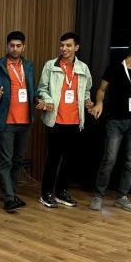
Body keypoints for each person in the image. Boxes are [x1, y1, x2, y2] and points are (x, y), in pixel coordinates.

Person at [89, 38, 131, 212]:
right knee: (109, 159)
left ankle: (122, 197)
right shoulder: (114, 69)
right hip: (115, 121)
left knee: (129, 161)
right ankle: (98, 195)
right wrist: (99, 103)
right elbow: (101, 89)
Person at [36, 32, 93, 209]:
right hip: (56, 120)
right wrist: (48, 101)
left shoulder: (83, 68)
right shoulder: (50, 66)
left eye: (68, 45)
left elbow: (86, 90)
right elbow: (42, 89)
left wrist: (87, 101)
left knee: (69, 160)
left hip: (75, 121)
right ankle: (46, 193)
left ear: (76, 47)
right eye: (62, 45)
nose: (64, 48)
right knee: (53, 159)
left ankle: (61, 192)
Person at [0, 30, 36, 213]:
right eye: (12, 45)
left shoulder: (28, 66)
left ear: (24, 47)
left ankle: (12, 194)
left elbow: (33, 89)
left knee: (18, 160)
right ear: (7, 46)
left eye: (18, 46)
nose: (15, 49)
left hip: (25, 121)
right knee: (5, 161)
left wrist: (38, 99)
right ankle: (8, 198)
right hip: (6, 121)